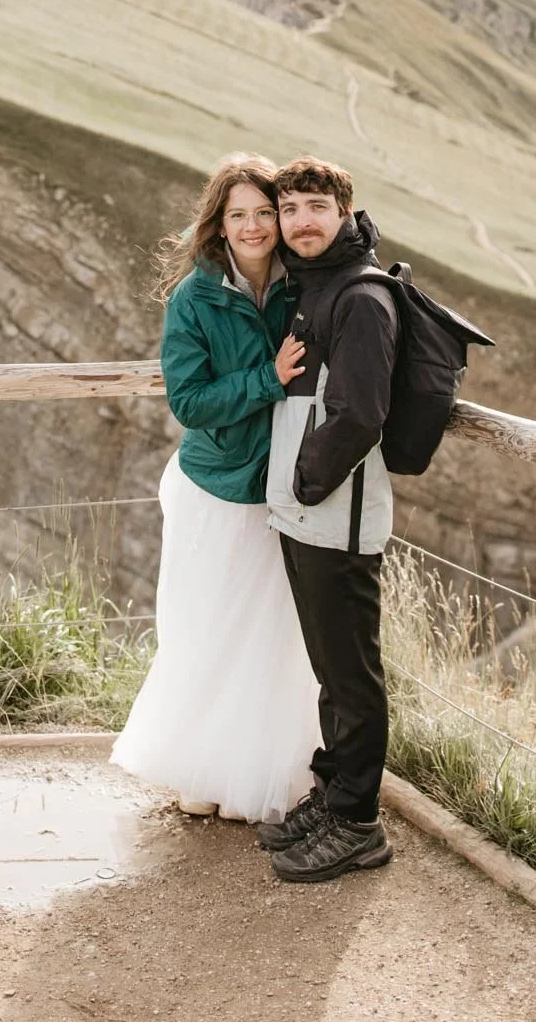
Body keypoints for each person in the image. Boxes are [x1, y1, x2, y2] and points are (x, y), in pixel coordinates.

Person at [111, 155, 321, 823]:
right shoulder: (194, 299)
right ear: (218, 225)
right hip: (215, 489)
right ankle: (198, 768)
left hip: (281, 488)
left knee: (267, 636)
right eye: (239, 215)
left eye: (266, 212)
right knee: (206, 630)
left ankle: (252, 775)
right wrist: (268, 376)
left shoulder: (303, 289)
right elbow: (192, 403)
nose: (255, 226)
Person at [258, 155, 397, 881]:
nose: (300, 221)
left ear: (344, 210)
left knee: (352, 672)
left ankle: (358, 824)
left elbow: (361, 414)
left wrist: (306, 485)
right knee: (330, 669)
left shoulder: (362, 297)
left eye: (315, 206)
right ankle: (334, 790)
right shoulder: (317, 287)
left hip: (336, 517)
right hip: (309, 512)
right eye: (290, 210)